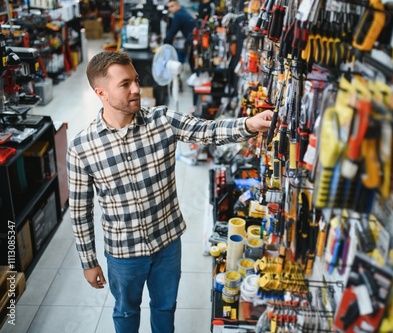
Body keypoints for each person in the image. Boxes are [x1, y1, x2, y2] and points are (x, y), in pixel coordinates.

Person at [67, 51, 273, 333]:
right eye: (125, 84)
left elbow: (208, 131)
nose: (137, 89)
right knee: (126, 312)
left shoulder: (162, 120)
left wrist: (250, 124)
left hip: (167, 243)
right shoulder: (82, 147)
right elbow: (80, 212)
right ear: (100, 92)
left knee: (165, 307)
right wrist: (88, 262)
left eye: (136, 80)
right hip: (124, 253)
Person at [164, 0, 197, 72]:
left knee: (192, 63)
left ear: (178, 6)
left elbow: (172, 31)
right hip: (194, 40)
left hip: (194, 40)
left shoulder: (178, 15)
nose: (169, 9)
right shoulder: (183, 12)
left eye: (172, 6)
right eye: (168, 7)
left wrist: (165, 43)